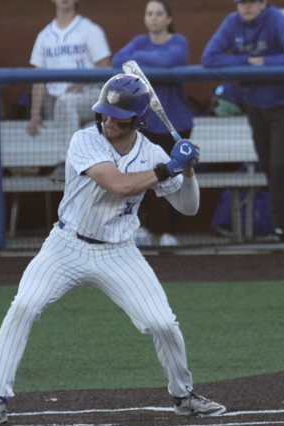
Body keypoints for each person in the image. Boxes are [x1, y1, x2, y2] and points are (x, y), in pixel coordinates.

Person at [0, 73, 226, 426]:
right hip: (65, 246)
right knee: (24, 306)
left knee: (162, 323)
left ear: (138, 120)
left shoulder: (151, 153)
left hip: (119, 252)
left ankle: (184, 396)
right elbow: (119, 185)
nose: (109, 121)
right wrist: (169, 165)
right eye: (105, 113)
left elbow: (188, 208)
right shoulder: (85, 140)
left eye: (118, 117)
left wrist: (187, 172)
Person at [202, 0, 284, 243]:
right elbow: (209, 58)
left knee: (279, 165)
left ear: (262, 3)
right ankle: (281, 227)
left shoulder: (275, 18)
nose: (246, 7)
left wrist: (265, 62)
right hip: (255, 106)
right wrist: (248, 62)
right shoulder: (232, 22)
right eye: (241, 2)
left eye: (252, 2)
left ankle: (283, 227)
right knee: (268, 167)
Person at [111, 0, 194, 247]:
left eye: (159, 14)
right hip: (146, 123)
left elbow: (170, 59)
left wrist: (138, 61)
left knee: (175, 177)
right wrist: (142, 60)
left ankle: (170, 233)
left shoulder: (179, 42)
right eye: (150, 14)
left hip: (176, 122)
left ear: (168, 19)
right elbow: (118, 60)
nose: (154, 18)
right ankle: (141, 228)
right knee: (141, 176)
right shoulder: (139, 41)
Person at [27, 0, 111, 170]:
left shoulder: (89, 29)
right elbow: (39, 79)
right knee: (68, 108)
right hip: (57, 104)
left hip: (91, 95)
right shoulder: (45, 35)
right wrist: (34, 113)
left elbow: (105, 67)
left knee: (66, 102)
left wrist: (84, 80)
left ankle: (67, 163)